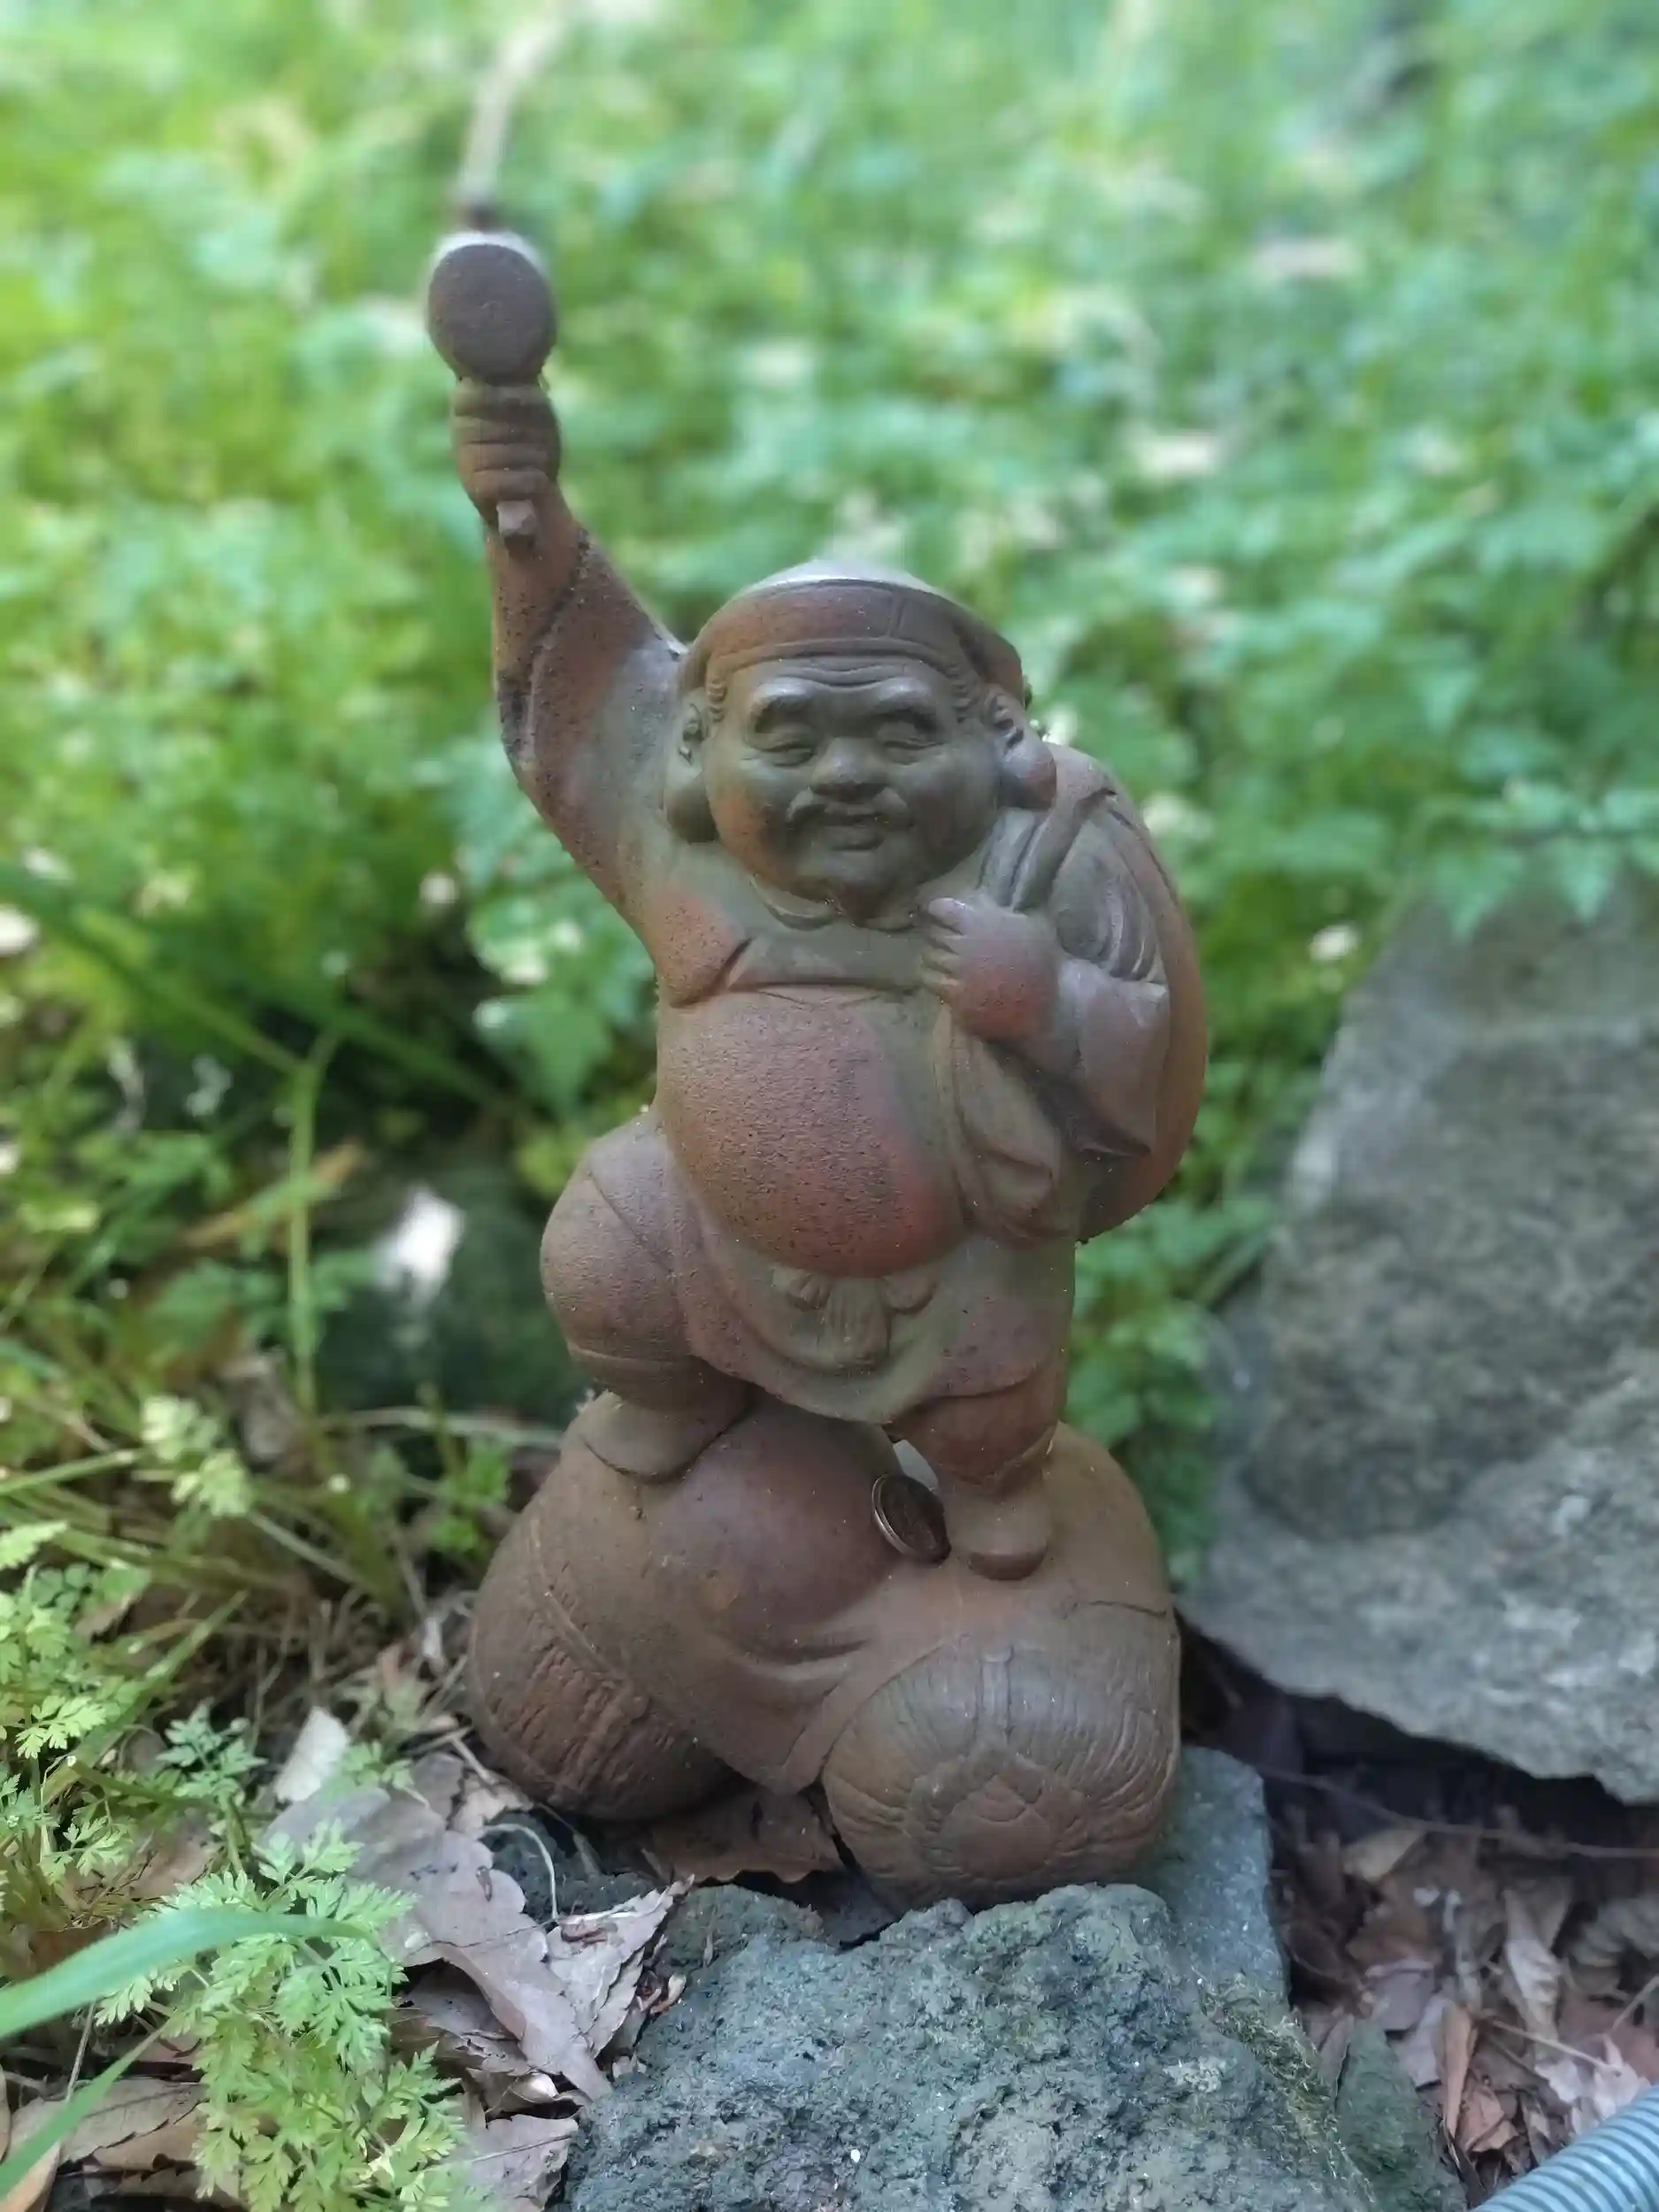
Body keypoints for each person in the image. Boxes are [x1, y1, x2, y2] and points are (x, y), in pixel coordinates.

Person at [450, 376, 1204, 1579]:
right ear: (695, 756)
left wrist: (1045, 1001)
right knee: (603, 1253)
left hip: (953, 1260)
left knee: (990, 1390)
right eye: (789, 737)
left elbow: (1146, 1047)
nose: (845, 775)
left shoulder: (1040, 864)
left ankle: (986, 1482)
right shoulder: (677, 852)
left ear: (999, 741)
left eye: (901, 734)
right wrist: (522, 509)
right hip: (706, 1227)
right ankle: (680, 1398)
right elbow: (580, 698)